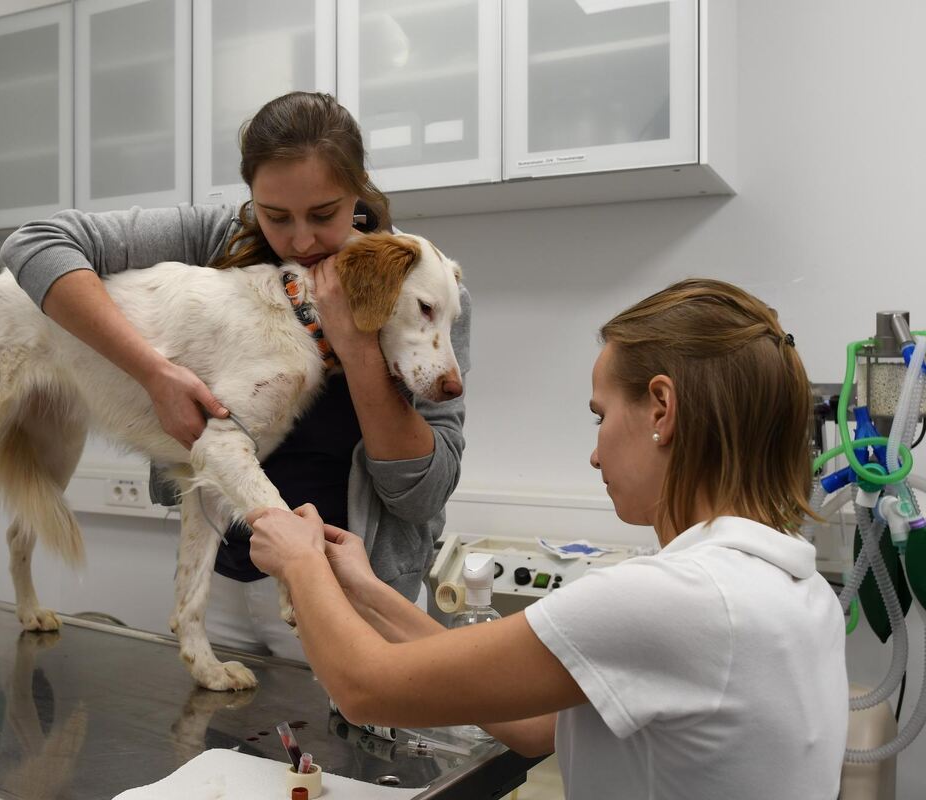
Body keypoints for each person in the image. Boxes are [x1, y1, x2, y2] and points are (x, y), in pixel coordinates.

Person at [247, 278, 848, 799]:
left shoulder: (679, 597)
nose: (594, 453)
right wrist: (368, 590)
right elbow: (535, 723)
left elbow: (365, 688)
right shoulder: (795, 589)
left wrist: (301, 566)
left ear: (661, 409)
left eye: (601, 415)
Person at [0, 91, 471, 660]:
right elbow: (33, 245)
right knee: (220, 739)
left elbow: (420, 497)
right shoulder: (216, 239)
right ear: (250, 198)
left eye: (324, 214)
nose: (300, 240)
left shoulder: (428, 295)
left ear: (358, 190)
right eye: (275, 216)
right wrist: (154, 373)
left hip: (350, 596)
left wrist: (358, 351)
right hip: (224, 582)